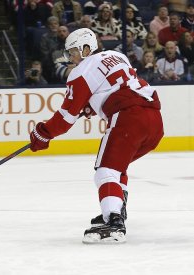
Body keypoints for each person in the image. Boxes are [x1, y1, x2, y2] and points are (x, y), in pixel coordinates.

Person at [28, 28, 163, 243]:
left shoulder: (81, 72)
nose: (71, 57)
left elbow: (65, 118)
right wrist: (91, 106)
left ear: (86, 48)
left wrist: (42, 134)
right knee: (117, 169)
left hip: (129, 117)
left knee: (105, 171)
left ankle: (114, 222)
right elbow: (114, 85)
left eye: (73, 51)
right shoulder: (117, 56)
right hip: (154, 119)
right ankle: (117, 208)